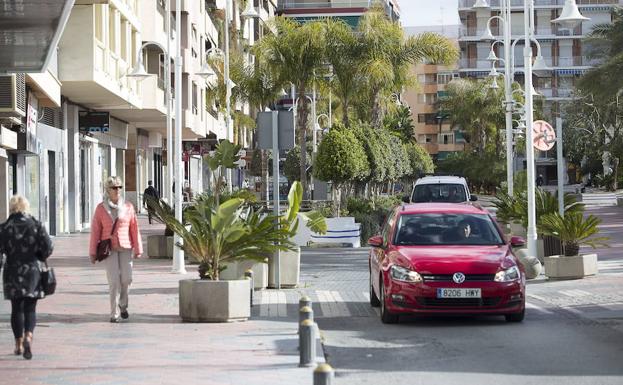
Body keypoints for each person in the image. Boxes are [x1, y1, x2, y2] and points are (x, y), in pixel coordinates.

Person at [0, 195, 53, 360]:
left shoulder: (4, 228)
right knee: (30, 308)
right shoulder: (35, 225)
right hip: (32, 271)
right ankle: (29, 336)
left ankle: (18, 343)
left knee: (17, 308)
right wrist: (38, 254)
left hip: (12, 272)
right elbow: (48, 248)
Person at [89, 176, 143, 323]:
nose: (117, 190)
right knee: (113, 281)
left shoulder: (128, 207)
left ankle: (123, 305)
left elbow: (134, 228)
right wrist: (93, 252)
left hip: (126, 247)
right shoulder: (101, 209)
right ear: (108, 190)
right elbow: (95, 231)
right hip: (109, 249)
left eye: (119, 187)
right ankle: (113, 313)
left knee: (127, 279)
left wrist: (138, 248)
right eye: (114, 187)